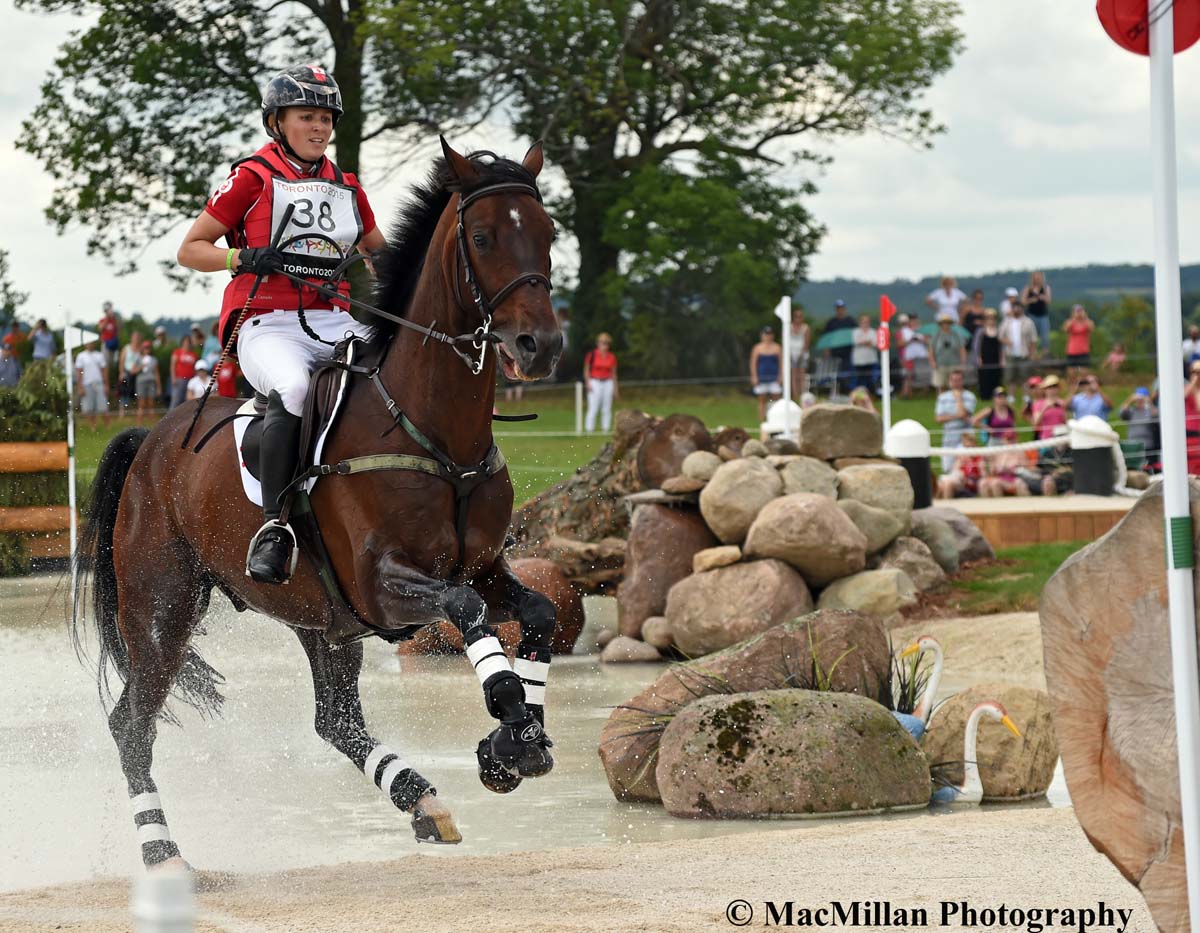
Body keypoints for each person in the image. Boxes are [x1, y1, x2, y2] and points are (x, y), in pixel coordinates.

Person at [177, 64, 385, 584]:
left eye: (325, 119)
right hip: (265, 322)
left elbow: (384, 257)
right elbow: (191, 249)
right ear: (277, 122)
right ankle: (275, 526)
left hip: (333, 318)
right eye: (306, 117)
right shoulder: (251, 176)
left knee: (393, 371)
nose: (318, 128)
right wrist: (243, 259)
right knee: (293, 385)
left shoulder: (347, 187)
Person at [934, 368, 976, 472]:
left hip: (965, 435)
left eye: (958, 380)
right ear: (949, 381)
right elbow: (939, 419)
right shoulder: (942, 398)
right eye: (954, 380)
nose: (956, 383)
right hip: (949, 436)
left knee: (965, 466)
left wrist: (958, 398)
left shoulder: (970, 396)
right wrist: (957, 415)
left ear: (962, 381)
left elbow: (964, 413)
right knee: (947, 468)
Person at [584, 332, 619, 432]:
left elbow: (614, 374)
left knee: (606, 407)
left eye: (607, 343)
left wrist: (616, 389)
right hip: (595, 381)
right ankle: (589, 429)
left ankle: (605, 428)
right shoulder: (592, 355)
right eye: (602, 343)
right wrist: (588, 382)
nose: (605, 345)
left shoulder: (611, 357)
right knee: (593, 406)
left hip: (608, 382)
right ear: (598, 343)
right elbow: (586, 370)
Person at [1000, 302, 1037, 390]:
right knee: (1010, 378)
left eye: (1018, 308)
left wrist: (1032, 354)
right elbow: (1000, 336)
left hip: (1024, 354)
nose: (1016, 310)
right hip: (1010, 354)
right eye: (1014, 308)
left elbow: (1033, 339)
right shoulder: (1006, 321)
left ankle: (1026, 397)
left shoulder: (1028, 322)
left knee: (1025, 377)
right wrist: (1007, 341)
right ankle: (1011, 398)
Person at [749, 325, 783, 421]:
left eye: (769, 334)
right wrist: (754, 376)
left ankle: (776, 418)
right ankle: (761, 420)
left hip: (774, 377)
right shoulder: (757, 348)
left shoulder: (777, 347)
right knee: (762, 399)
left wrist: (781, 376)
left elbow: (781, 363)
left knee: (776, 399)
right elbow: (753, 363)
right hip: (761, 378)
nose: (767, 336)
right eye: (766, 334)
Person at [1119, 387, 1159, 468]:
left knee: (1149, 467)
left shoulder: (1150, 410)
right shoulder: (1131, 411)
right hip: (1133, 446)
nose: (1140, 400)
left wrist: (1149, 403)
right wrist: (1130, 400)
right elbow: (1121, 413)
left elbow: (1156, 416)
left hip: (1148, 445)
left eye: (1142, 398)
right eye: (1138, 399)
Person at [822, 299, 855, 392]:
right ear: (836, 309)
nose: (840, 310)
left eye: (842, 308)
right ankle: (835, 391)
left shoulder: (850, 321)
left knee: (847, 373)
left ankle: (846, 391)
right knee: (834, 373)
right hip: (834, 352)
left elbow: (855, 335)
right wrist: (826, 350)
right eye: (838, 308)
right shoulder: (831, 322)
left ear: (844, 309)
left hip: (847, 353)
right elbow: (826, 337)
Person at [971, 307, 1004, 402]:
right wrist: (978, 358)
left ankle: (996, 397)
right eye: (989, 318)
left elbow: (1001, 347)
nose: (991, 320)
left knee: (996, 378)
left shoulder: (998, 331)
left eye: (993, 318)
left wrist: (1002, 359)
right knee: (984, 379)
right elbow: (976, 346)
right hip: (984, 358)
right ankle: (985, 397)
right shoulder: (980, 331)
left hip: (996, 358)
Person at [936, 432, 982, 499]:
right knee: (941, 484)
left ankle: (946, 506)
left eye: (969, 446)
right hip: (958, 479)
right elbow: (954, 471)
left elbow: (978, 475)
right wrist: (960, 461)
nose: (967, 449)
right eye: (965, 446)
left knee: (948, 484)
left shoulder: (979, 458)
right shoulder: (962, 457)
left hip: (967, 482)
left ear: (974, 444)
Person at [75, 338, 109, 426]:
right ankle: (93, 427)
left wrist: (106, 384)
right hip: (87, 384)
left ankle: (107, 426)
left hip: (99, 383)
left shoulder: (99, 355)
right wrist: (80, 387)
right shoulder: (81, 356)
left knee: (103, 407)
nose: (90, 344)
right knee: (89, 408)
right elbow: (79, 372)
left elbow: (104, 370)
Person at [931, 317, 967, 390]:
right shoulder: (936, 335)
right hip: (940, 364)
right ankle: (941, 400)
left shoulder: (956, 335)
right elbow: (931, 350)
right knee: (940, 385)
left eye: (947, 323)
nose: (945, 325)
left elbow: (962, 349)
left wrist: (963, 363)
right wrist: (932, 362)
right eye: (943, 323)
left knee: (954, 385)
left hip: (955, 364)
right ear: (940, 324)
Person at [1021, 271, 1052, 349]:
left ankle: (1045, 352)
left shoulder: (1045, 288)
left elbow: (1049, 300)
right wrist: (1031, 300)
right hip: (1031, 315)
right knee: (1031, 336)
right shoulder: (1028, 288)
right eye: (1036, 278)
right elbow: (1023, 301)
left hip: (1043, 315)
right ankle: (1031, 352)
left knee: (1045, 336)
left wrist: (1043, 297)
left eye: (1039, 278)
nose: (1037, 279)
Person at [1063, 304, 1094, 382]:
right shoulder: (1070, 322)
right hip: (1072, 351)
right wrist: (1074, 318)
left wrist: (1085, 318)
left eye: (1080, 311)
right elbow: (1065, 329)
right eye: (1077, 311)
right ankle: (1071, 390)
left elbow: (1091, 328)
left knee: (1084, 373)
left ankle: (1082, 388)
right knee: (1071, 373)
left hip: (1084, 351)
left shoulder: (1087, 322)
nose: (1079, 313)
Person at [134, 337, 161, 424]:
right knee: (141, 404)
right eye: (145, 347)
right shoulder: (138, 358)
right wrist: (140, 367)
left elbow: (156, 374)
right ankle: (139, 424)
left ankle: (152, 424)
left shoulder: (153, 360)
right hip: (141, 382)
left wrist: (159, 387)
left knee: (151, 404)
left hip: (151, 382)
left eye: (148, 347)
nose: (147, 349)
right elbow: (132, 370)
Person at [1032, 374, 1068, 440]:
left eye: (1055, 386)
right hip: (1046, 439)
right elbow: (1035, 425)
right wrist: (1045, 408)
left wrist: (1063, 408)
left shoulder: (1062, 403)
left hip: (1060, 438)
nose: (1052, 389)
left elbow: (1065, 422)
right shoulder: (1038, 404)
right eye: (1049, 387)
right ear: (1045, 389)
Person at [169, 334, 198, 410]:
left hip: (190, 380)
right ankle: (170, 418)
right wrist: (173, 378)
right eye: (185, 341)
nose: (187, 343)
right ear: (182, 342)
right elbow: (172, 366)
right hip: (180, 378)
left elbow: (195, 368)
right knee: (176, 400)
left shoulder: (193, 354)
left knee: (187, 401)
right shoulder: (177, 352)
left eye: (188, 342)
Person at [118, 329, 143, 415]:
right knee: (124, 392)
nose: (136, 339)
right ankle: (122, 413)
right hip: (126, 372)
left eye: (137, 337)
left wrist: (137, 369)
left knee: (134, 393)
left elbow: (143, 363)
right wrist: (121, 373)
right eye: (135, 337)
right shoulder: (126, 348)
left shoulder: (140, 350)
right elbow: (121, 361)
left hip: (137, 374)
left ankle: (132, 412)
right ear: (132, 338)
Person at [788, 305, 811, 397]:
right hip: (791, 353)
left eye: (800, 316)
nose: (798, 318)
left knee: (801, 374)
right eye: (796, 316)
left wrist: (801, 354)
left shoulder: (806, 327)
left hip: (802, 354)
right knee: (793, 374)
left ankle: (802, 394)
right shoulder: (788, 327)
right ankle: (795, 394)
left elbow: (807, 342)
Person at [850, 314, 877, 392]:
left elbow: (875, 343)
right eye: (863, 322)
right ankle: (859, 395)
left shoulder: (873, 331)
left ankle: (870, 395)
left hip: (870, 359)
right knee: (859, 379)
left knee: (870, 379)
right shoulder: (855, 332)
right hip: (859, 360)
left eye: (867, 322)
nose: (865, 324)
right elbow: (856, 342)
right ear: (860, 322)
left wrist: (863, 342)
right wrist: (868, 342)